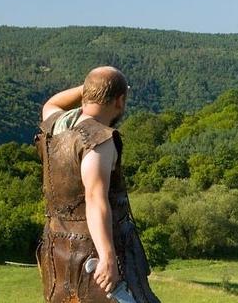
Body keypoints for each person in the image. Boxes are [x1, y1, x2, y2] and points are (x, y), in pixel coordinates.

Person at [34, 66, 160, 302]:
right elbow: (95, 198)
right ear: (120, 100)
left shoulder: (56, 124)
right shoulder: (99, 140)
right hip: (93, 257)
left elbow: (52, 103)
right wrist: (107, 257)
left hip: (57, 255)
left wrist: (92, 88)